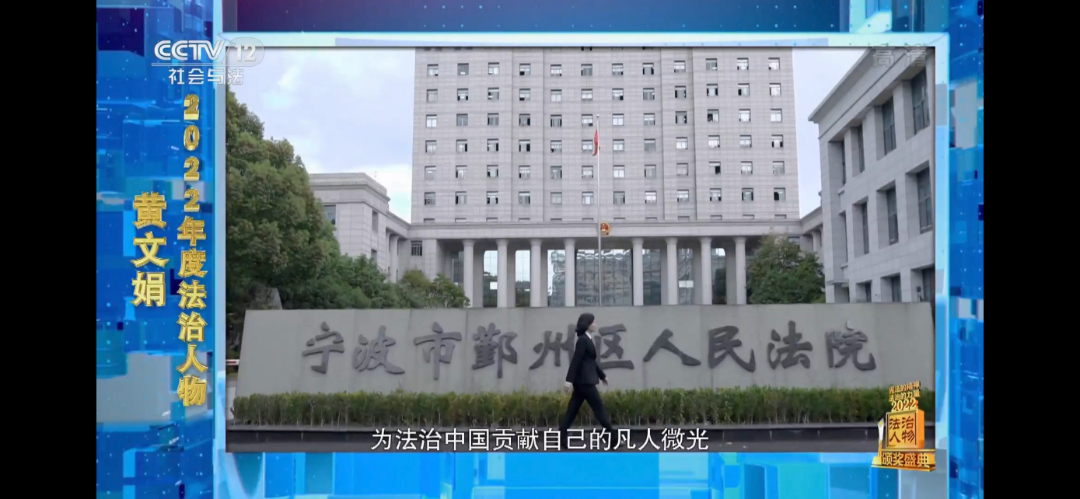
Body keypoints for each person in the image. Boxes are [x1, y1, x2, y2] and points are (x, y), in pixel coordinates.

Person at [558, 312, 614, 446]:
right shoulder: (583, 340)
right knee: (599, 409)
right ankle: (614, 439)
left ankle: (561, 436)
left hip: (582, 383)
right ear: (588, 324)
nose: (595, 324)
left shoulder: (587, 339)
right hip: (586, 383)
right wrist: (568, 381)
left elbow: (590, 361)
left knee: (572, 411)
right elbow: (576, 360)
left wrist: (602, 376)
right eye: (593, 322)